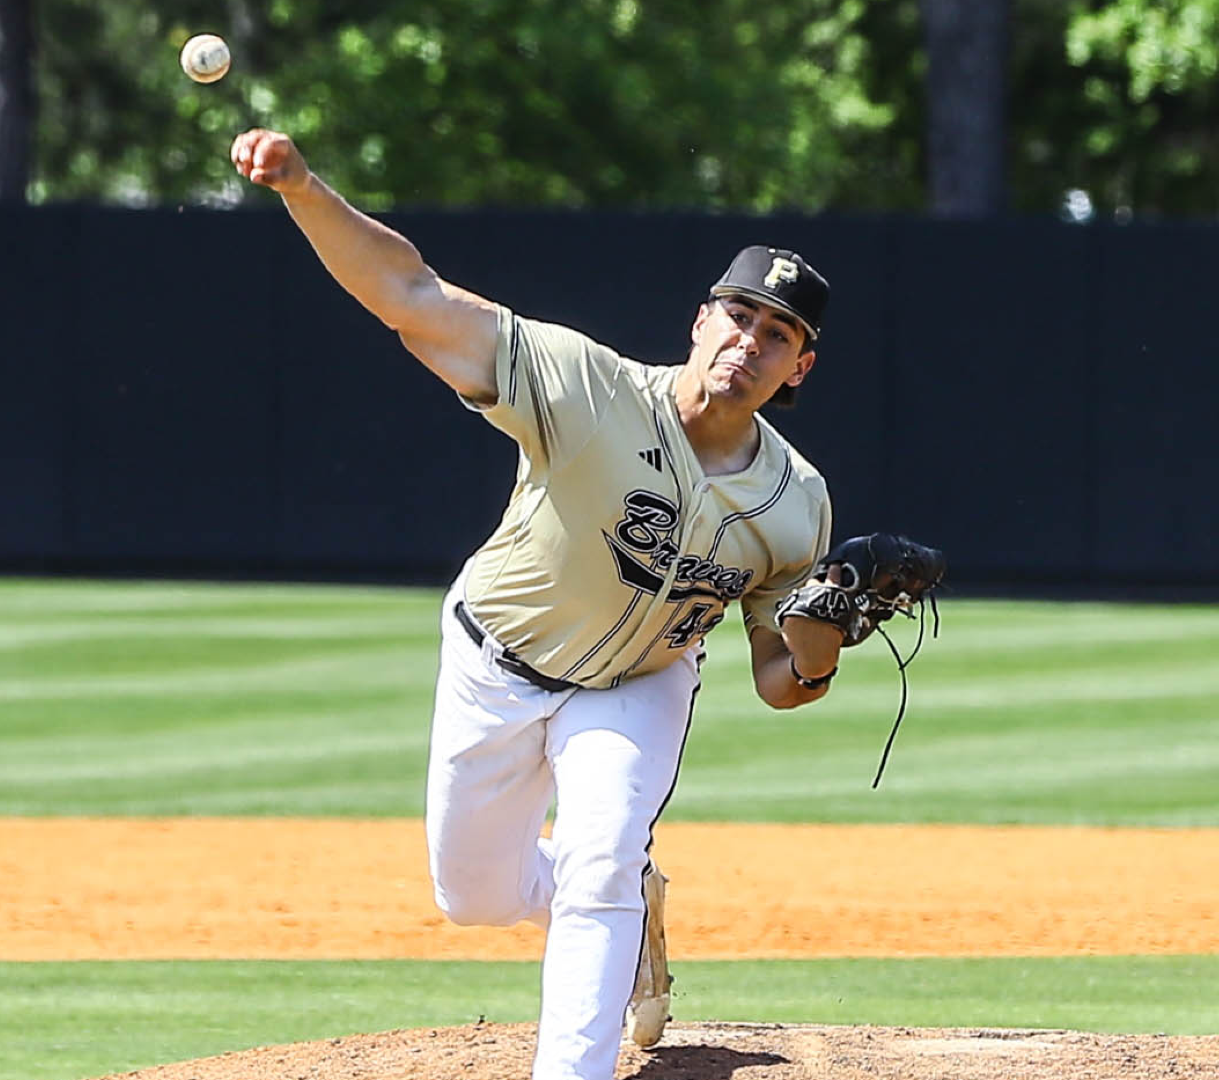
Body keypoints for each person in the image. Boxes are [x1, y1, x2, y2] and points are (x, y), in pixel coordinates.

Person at [232, 128, 845, 1080]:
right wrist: (305, 189)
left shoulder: (798, 502)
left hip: (637, 687)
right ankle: (634, 910)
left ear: (799, 367)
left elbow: (780, 679)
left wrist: (820, 647)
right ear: (700, 319)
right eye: (740, 315)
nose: (749, 342)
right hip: (497, 664)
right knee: (472, 896)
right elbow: (414, 298)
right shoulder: (585, 387)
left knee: (600, 859)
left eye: (779, 335)